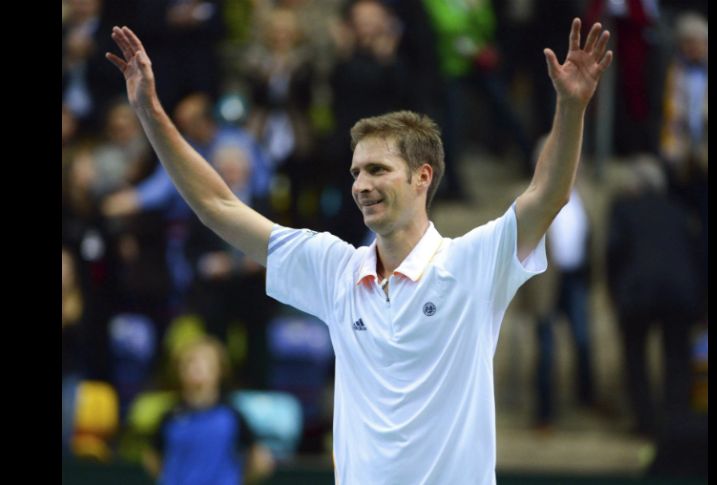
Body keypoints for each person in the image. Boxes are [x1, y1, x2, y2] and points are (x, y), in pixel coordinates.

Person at [107, 18, 612, 484]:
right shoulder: (333, 268)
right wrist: (150, 112)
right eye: (355, 172)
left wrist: (570, 108)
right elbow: (217, 205)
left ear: (422, 177)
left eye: (377, 170)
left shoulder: (471, 263)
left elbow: (548, 194)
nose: (361, 185)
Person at [143, 336, 275, 484]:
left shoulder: (232, 416)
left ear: (219, 370)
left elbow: (261, 460)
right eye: (189, 362)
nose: (196, 368)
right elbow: (152, 458)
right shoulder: (170, 417)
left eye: (204, 362)